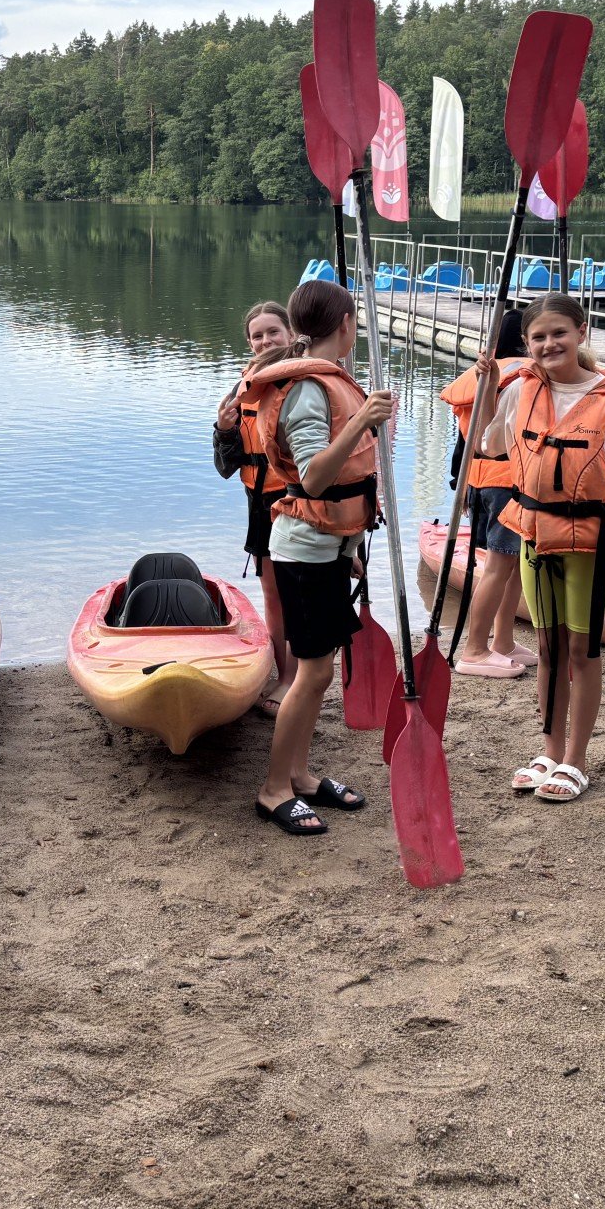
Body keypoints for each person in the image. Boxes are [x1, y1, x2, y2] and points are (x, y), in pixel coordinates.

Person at [487, 294, 605, 801]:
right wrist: (489, 390)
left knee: (581, 650)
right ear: (526, 343)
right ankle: (549, 749)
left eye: (559, 332)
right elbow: (491, 446)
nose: (549, 344)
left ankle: (575, 760)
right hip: (536, 536)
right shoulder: (520, 391)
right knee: (547, 647)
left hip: (591, 545)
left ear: (582, 332)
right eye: (537, 337)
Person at [243, 280, 387, 835]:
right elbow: (313, 478)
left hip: (328, 549)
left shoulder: (328, 380)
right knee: (312, 673)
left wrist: (350, 548)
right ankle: (274, 789)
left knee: (319, 672)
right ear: (347, 323)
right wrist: (362, 421)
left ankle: (300, 775)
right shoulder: (308, 389)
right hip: (303, 554)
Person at [438, 319, 534, 678]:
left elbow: (463, 442)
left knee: (510, 567)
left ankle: (503, 641)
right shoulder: (520, 377)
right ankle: (475, 649)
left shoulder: (485, 374)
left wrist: (460, 484)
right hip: (506, 483)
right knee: (498, 568)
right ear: (525, 341)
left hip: (479, 480)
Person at [213, 300, 295, 713]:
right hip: (258, 502)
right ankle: (283, 674)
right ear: (249, 343)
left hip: (296, 499)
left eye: (273, 332)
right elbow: (226, 467)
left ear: (291, 334)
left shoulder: (303, 381)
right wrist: (223, 430)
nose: (265, 341)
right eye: (257, 335)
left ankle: (294, 680)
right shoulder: (241, 388)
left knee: (295, 594)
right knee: (271, 594)